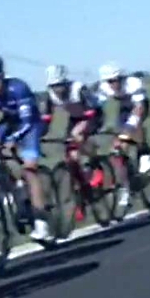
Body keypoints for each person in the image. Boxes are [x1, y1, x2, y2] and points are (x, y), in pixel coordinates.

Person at [0, 54, 52, 241]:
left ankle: (42, 222)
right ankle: (13, 188)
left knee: (29, 169)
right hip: (9, 123)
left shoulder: (18, 88)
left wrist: (13, 139)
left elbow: (27, 122)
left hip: (30, 124)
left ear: (2, 75)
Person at [44, 65, 106, 207]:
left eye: (59, 85)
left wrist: (82, 128)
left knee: (77, 136)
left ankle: (94, 160)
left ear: (65, 82)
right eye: (53, 86)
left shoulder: (78, 89)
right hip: (75, 118)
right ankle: (82, 186)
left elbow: (91, 111)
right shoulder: (51, 95)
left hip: (93, 115)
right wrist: (39, 134)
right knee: (71, 154)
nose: (57, 89)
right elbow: (46, 118)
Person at [94, 62, 150, 209]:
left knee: (135, 126)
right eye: (110, 81)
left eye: (115, 80)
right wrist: (97, 124)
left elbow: (139, 108)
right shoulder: (104, 87)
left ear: (122, 78)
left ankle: (144, 154)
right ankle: (126, 188)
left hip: (141, 105)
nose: (113, 84)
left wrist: (129, 127)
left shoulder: (133, 83)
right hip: (125, 109)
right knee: (117, 150)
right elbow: (97, 107)